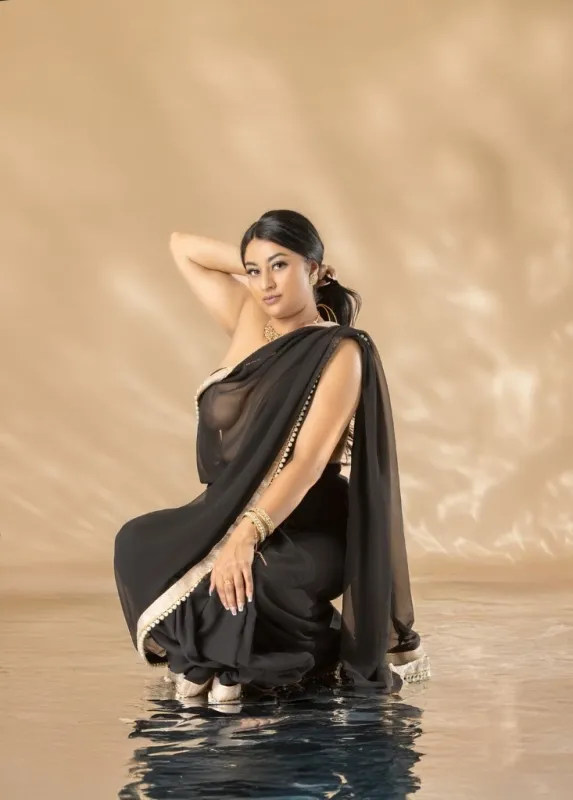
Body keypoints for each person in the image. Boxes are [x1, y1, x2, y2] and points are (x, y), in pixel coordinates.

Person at [114, 209, 429, 704]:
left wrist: (246, 536)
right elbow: (182, 246)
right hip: (222, 512)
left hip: (310, 524)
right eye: (253, 270)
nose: (264, 283)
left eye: (280, 265)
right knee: (136, 543)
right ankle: (227, 656)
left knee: (257, 575)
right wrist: (261, 262)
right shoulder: (248, 316)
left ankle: (301, 652)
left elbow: (306, 463)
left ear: (315, 268)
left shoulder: (340, 351)